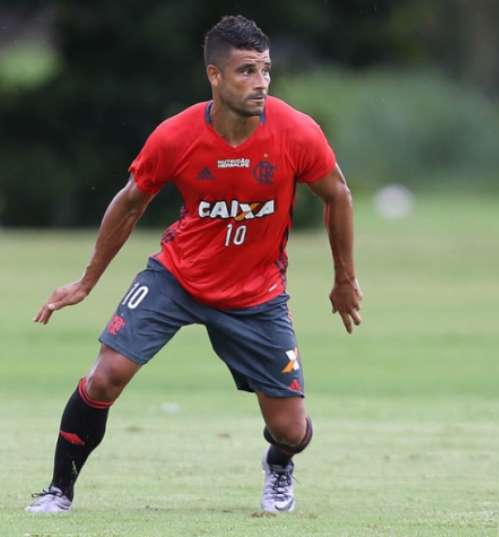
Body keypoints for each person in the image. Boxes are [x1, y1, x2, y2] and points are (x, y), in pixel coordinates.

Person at [26, 14, 362, 514]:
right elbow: (129, 203)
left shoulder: (296, 132)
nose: (261, 83)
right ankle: (58, 491)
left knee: (292, 430)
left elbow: (338, 195)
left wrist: (344, 279)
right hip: (177, 278)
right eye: (247, 71)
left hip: (257, 293)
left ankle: (279, 465)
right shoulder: (175, 137)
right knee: (105, 376)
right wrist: (86, 282)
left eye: (266, 70)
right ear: (215, 76)